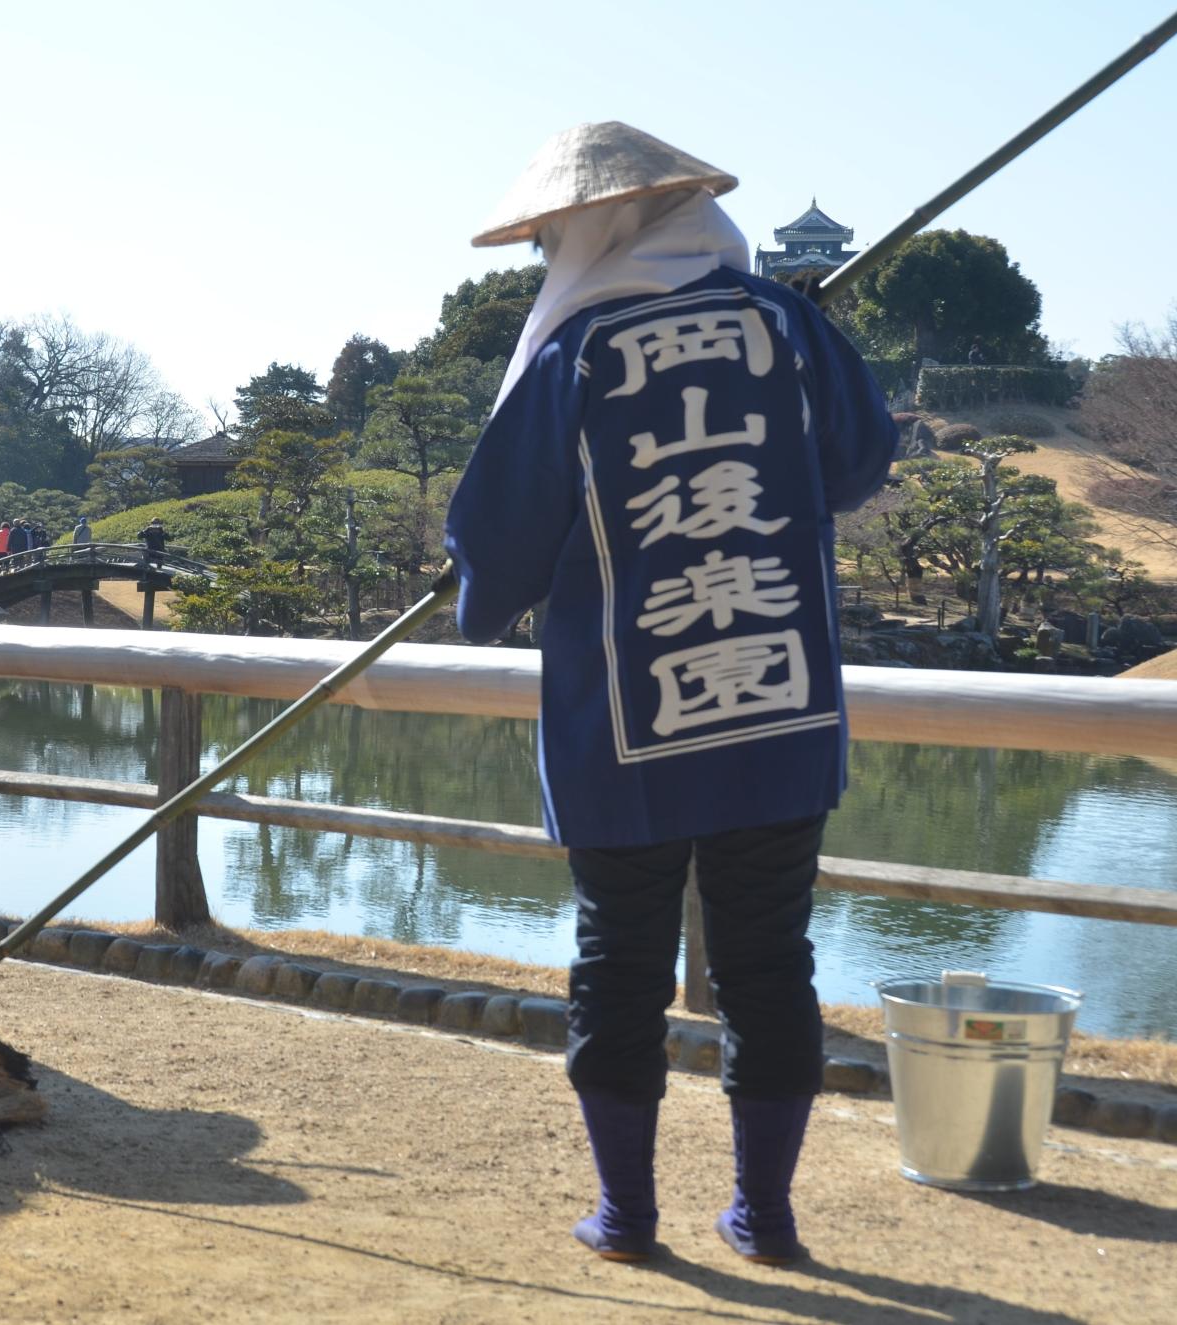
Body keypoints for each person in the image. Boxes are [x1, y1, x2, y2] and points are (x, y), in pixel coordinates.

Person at [442, 123, 896, 1266]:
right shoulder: (790, 325)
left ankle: (626, 1215)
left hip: (620, 726)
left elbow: (497, 550)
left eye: (554, 233)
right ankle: (766, 1214)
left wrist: (479, 605)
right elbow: (855, 466)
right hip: (774, 709)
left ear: (599, 227)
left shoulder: (576, 356)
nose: (551, 252)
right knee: (768, 963)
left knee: (618, 962)